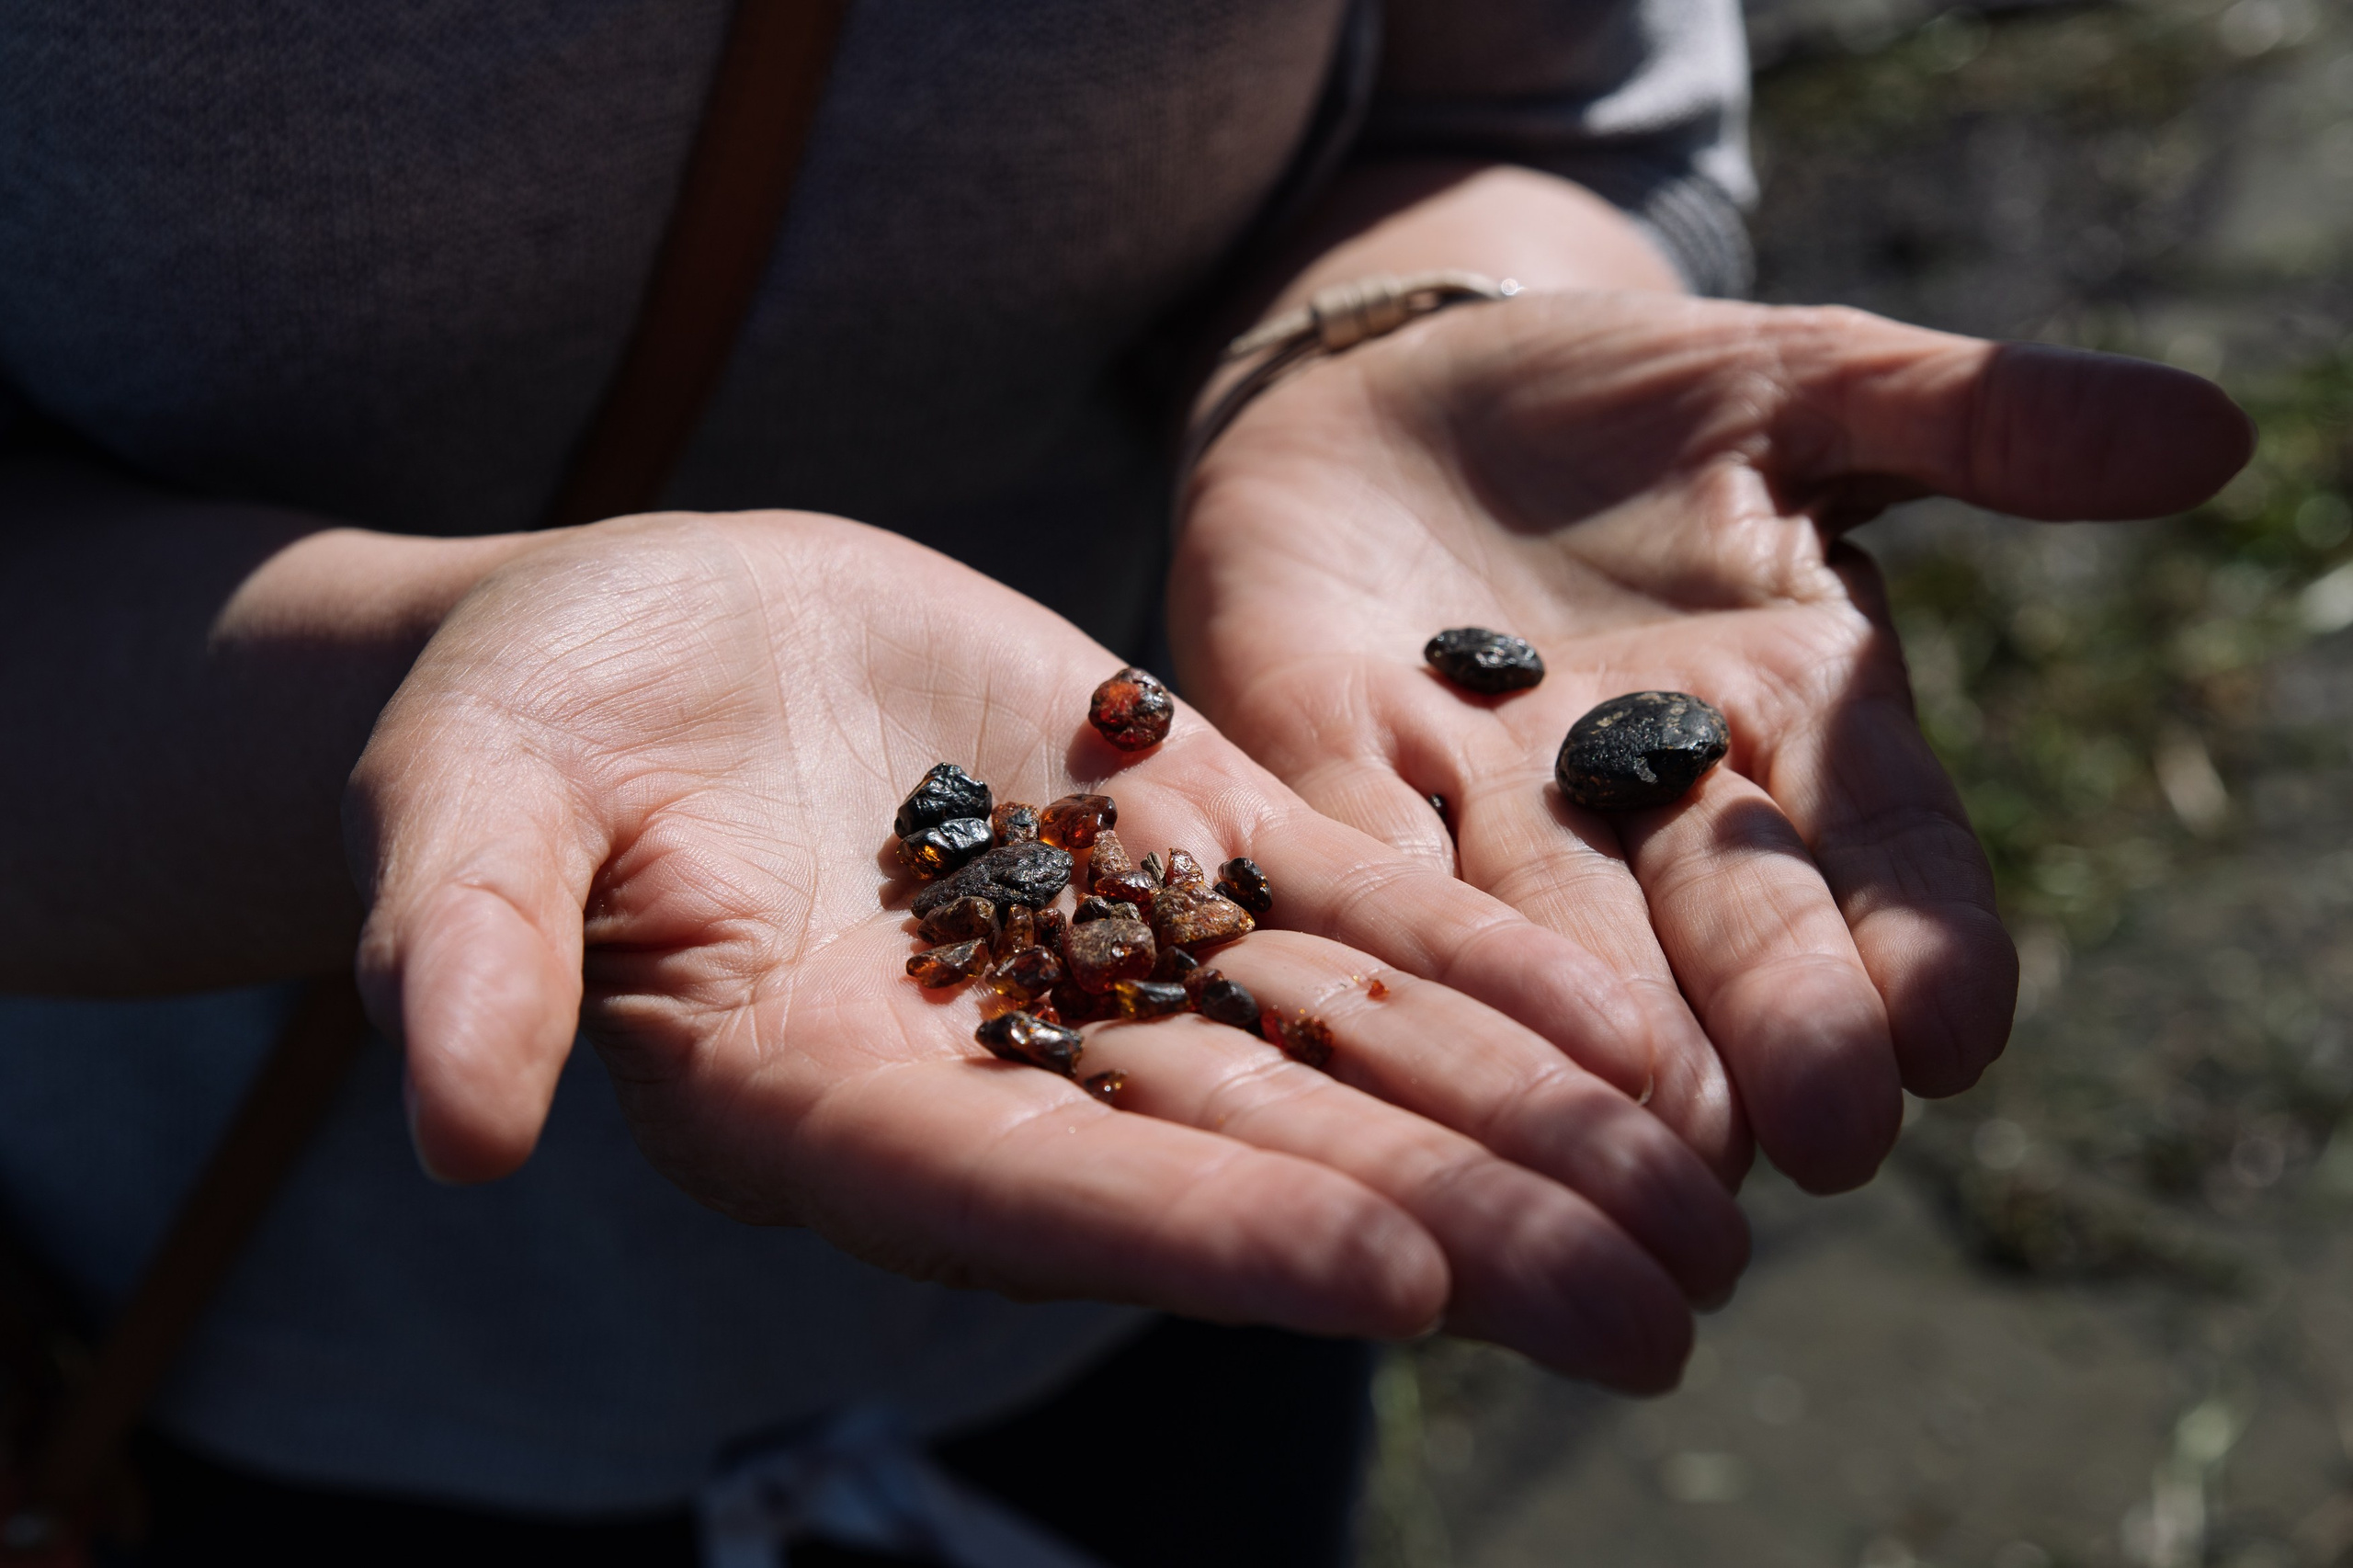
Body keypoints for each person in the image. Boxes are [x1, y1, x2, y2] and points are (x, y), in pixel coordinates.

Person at [0, 1, 2252, 1562]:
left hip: (1209, 1196)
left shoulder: (1111, 939)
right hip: (218, 1331)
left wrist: (1407, 332)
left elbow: (1547, 102)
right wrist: (376, 699)